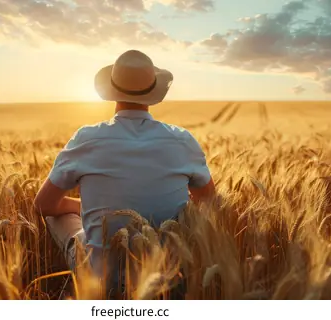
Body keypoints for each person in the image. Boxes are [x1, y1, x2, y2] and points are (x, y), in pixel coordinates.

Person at [33, 49, 216, 295]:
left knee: (57, 216)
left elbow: (43, 205)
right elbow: (208, 202)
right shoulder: (183, 140)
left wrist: (87, 209)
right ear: (152, 94)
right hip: (167, 277)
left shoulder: (87, 138)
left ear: (112, 91)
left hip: (99, 278)